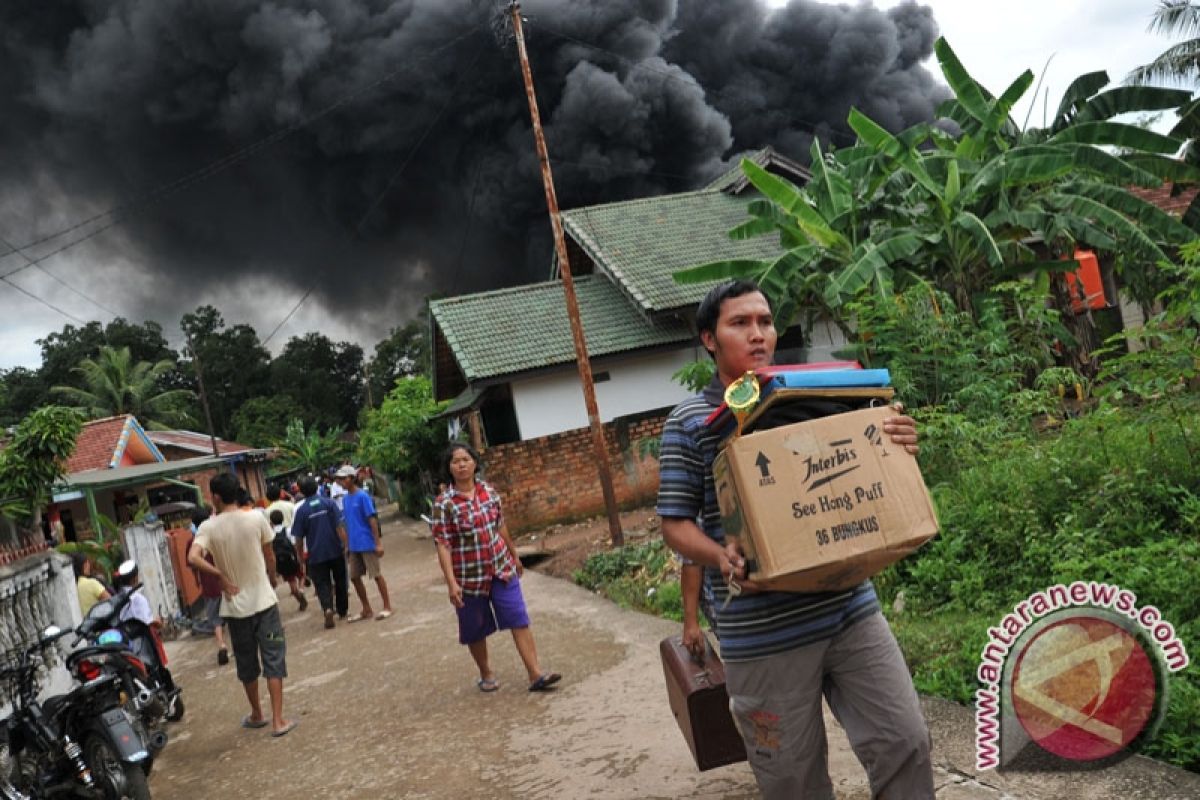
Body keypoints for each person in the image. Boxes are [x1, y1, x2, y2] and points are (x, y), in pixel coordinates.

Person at [657, 280, 933, 799]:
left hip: (850, 608)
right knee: (792, 781)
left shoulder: (815, 393)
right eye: (740, 323)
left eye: (765, 321)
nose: (758, 334)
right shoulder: (690, 423)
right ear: (709, 340)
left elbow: (863, 455)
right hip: (762, 637)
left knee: (907, 742)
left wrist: (896, 440)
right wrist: (720, 554)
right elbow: (674, 522)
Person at [431, 443, 561, 693]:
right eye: (455, 461)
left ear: (475, 463)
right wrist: (451, 583)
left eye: (466, 459)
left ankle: (535, 674)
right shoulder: (444, 503)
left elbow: (500, 526)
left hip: (500, 568)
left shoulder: (489, 492)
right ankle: (486, 673)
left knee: (518, 618)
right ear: (449, 468)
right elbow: (443, 544)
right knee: (474, 629)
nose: (461, 464)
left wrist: (515, 555)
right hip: (468, 577)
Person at [188, 473, 296, 738]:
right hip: (264, 603)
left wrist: (219, 575)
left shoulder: (209, 527)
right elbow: (269, 555)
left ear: (215, 496)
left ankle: (258, 714)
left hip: (236, 609)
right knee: (273, 657)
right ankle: (278, 720)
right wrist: (271, 579)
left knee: (247, 663)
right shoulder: (256, 518)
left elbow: (193, 557)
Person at [334, 465, 392, 622]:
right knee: (354, 577)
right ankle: (366, 608)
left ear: (352, 478)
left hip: (366, 542)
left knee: (376, 575)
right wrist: (347, 545)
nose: (341, 482)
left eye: (343, 478)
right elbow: (347, 522)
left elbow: (372, 520)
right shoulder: (345, 499)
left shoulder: (362, 496)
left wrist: (377, 543)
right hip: (354, 545)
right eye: (339, 479)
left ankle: (387, 606)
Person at [291, 476, 349, 629]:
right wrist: (346, 545)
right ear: (317, 487)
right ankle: (342, 610)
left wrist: (300, 557)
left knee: (322, 583)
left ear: (302, 491)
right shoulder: (329, 503)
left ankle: (328, 609)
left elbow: (298, 538)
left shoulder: (302, 511)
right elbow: (339, 527)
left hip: (316, 554)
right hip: (335, 549)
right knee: (340, 579)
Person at [189, 506, 230, 666]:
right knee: (233, 614)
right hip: (225, 581)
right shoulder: (219, 534)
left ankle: (221, 645)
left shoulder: (193, 542)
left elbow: (193, 565)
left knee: (215, 619)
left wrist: (197, 580)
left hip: (209, 585)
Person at [269, 509, 308, 611]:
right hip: (293, 559)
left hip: (282, 563)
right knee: (302, 575)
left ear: (271, 521)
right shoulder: (288, 530)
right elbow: (295, 545)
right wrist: (299, 558)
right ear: (282, 519)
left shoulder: (270, 534)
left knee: (291, 581)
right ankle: (301, 589)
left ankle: (297, 594)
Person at [72, 552, 110, 617]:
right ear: (84, 565)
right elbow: (110, 601)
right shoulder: (91, 583)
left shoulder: (73, 588)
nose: (89, 565)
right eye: (87, 563)